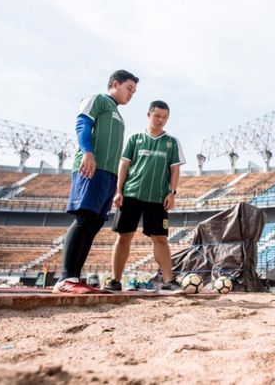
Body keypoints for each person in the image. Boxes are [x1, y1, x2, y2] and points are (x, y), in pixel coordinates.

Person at [53, 70, 139, 294]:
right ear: (115, 83)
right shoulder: (97, 100)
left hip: (108, 175)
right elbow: (82, 124)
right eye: (129, 89)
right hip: (91, 167)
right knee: (84, 219)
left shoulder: (118, 115)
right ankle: (66, 278)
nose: (131, 95)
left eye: (134, 92)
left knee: (94, 224)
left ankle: (75, 278)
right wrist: (87, 153)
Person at [103, 100, 186, 292]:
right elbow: (124, 165)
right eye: (157, 116)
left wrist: (172, 193)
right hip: (131, 194)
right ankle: (115, 281)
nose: (161, 120)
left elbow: (174, 170)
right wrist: (119, 191)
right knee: (124, 237)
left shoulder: (171, 142)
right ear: (149, 115)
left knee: (160, 239)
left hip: (157, 197)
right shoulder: (135, 138)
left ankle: (168, 281)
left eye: (165, 117)